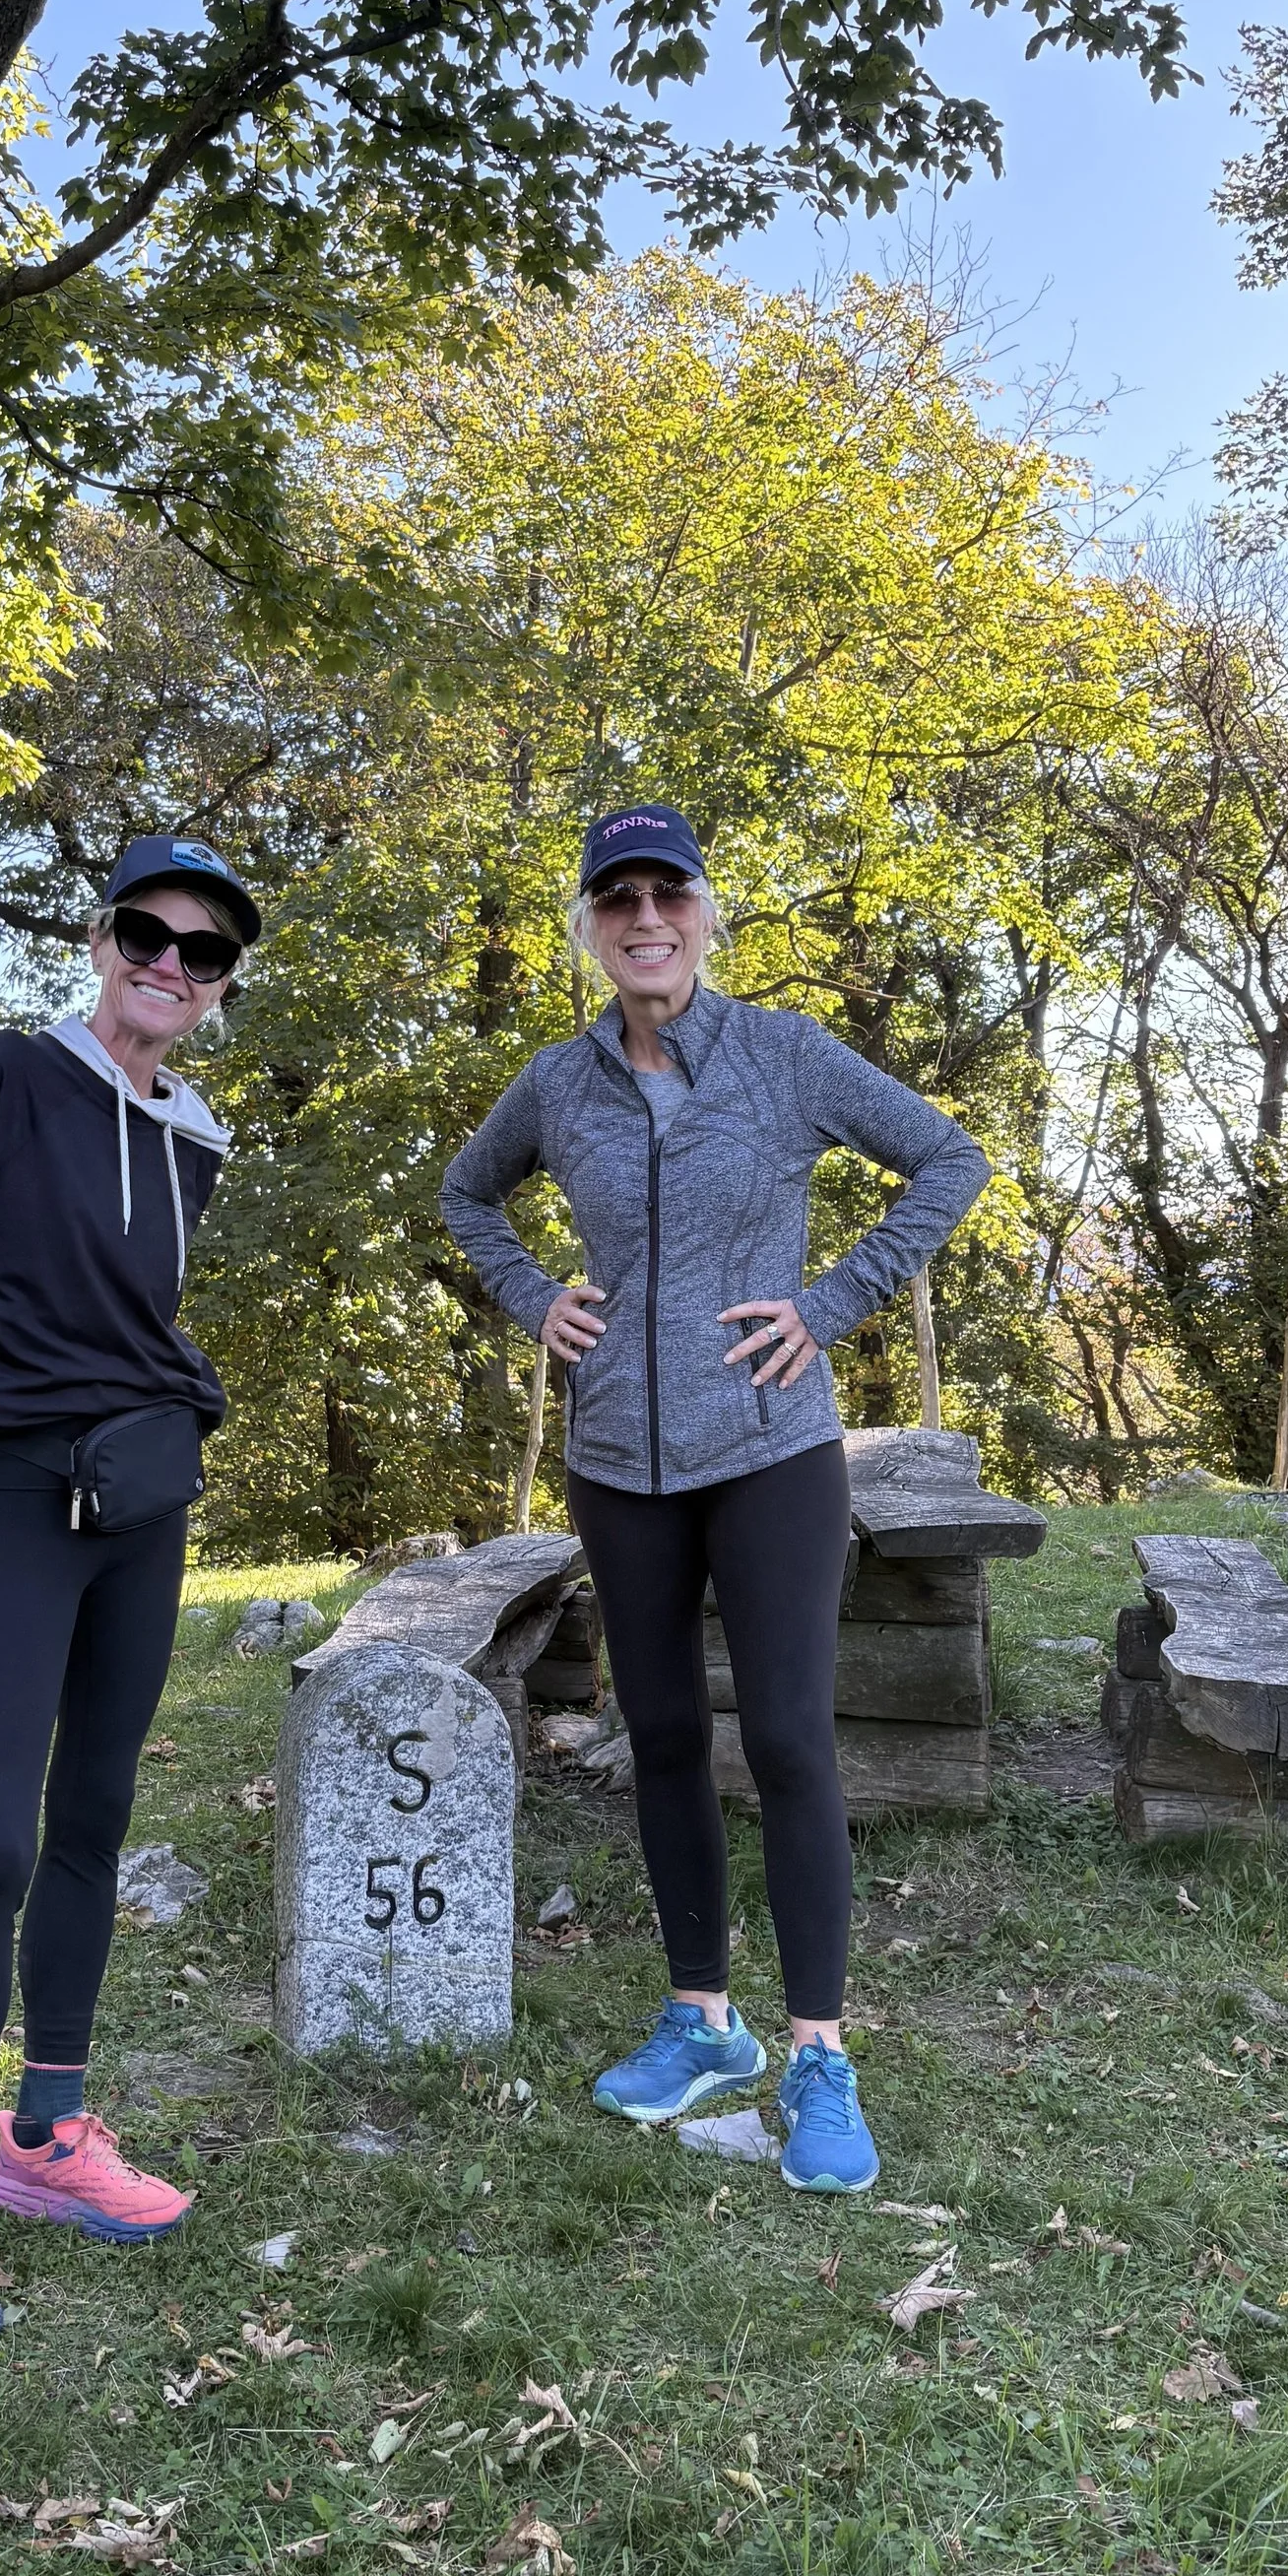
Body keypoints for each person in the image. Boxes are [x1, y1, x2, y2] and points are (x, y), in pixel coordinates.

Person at [440, 804, 990, 2196]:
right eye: (615, 897)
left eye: (665, 894)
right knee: (665, 1728)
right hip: (619, 1456)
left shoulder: (786, 1053)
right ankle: (703, 2018)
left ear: (703, 913)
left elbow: (951, 1159)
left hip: (772, 1447)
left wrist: (836, 1302)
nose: (643, 918)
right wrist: (531, 1296)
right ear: (589, 925)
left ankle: (819, 2053)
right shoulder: (559, 1084)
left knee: (793, 1738)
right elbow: (467, 1197)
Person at [0, 834, 260, 2349]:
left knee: (95, 1817)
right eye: (148, 933)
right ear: (102, 941)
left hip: (144, 1488)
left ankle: (49, 2138)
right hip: (15, 1481)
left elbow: (128, 1313)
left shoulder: (198, 1141)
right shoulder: (1, 1075)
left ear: (220, 986)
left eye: (203, 951)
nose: (171, 963)